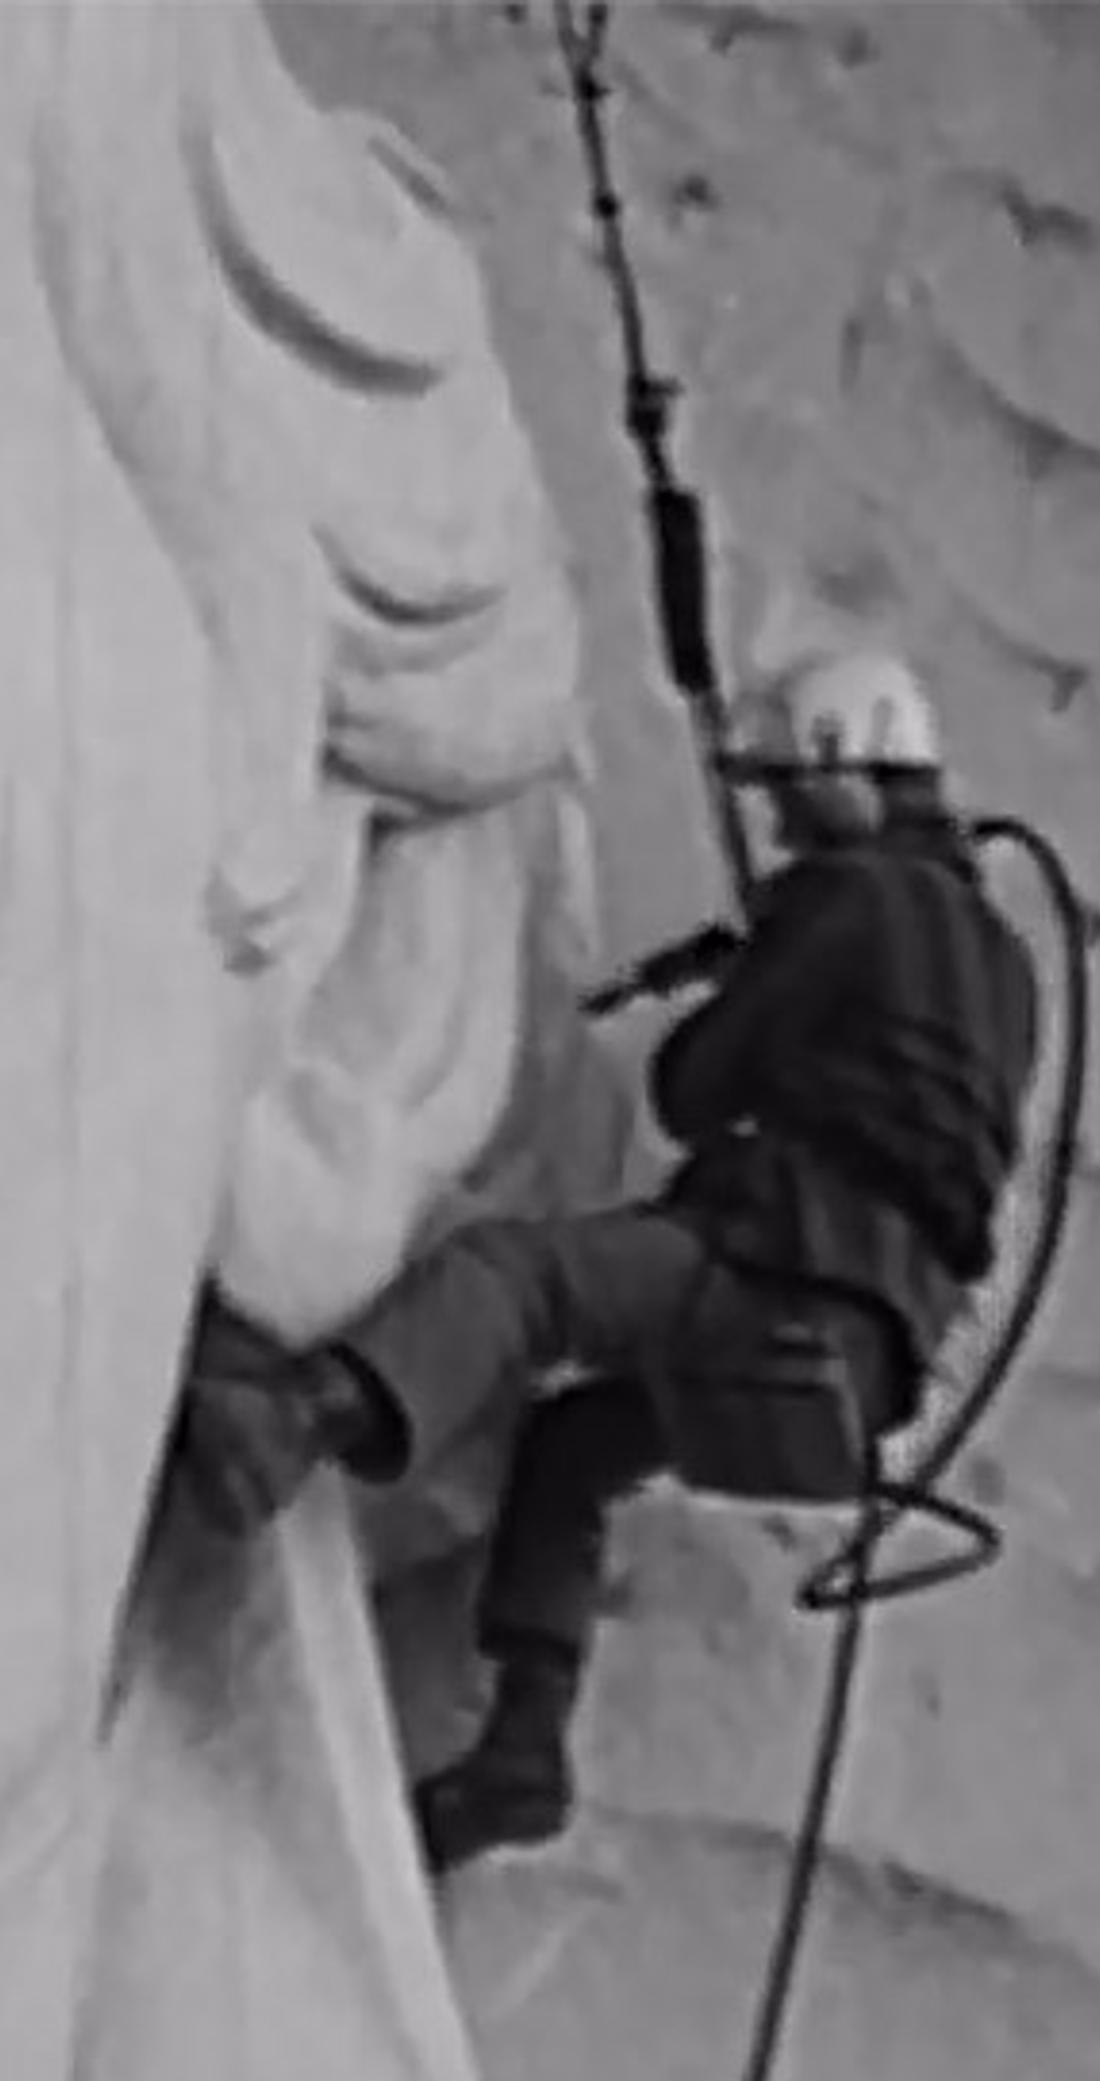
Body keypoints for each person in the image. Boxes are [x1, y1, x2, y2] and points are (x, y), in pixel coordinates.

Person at [164, 649, 1044, 1871]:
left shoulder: (851, 904)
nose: (784, 823)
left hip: (774, 1279)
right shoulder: (1003, 964)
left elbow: (693, 1089)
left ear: (853, 765)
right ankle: (524, 1745)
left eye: (793, 793)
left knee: (515, 1279)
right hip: (863, 1379)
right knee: (575, 1449)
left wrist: (759, 976)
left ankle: (293, 1421)